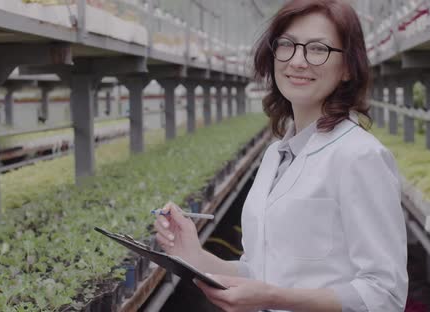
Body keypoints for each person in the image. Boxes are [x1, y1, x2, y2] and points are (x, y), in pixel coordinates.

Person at [153, 0, 408, 311]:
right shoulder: (276, 154)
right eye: (287, 45)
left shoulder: (360, 156)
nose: (298, 61)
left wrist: (273, 298)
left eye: (318, 49)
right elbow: (259, 272)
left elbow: (384, 293)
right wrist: (194, 255)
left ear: (347, 68)